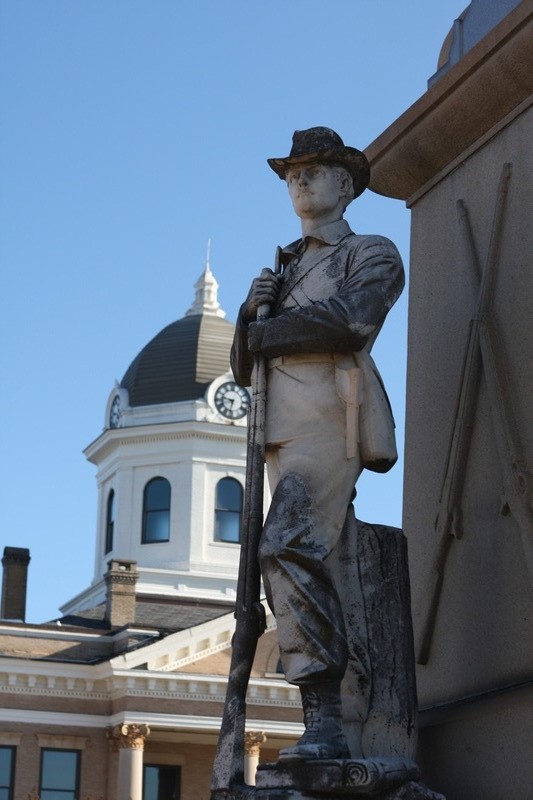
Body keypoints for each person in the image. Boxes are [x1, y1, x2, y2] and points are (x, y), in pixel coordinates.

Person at [231, 127, 404, 761]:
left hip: (334, 419)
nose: (299, 182)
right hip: (276, 433)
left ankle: (326, 717)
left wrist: (268, 329)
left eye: (313, 171)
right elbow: (241, 363)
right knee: (291, 564)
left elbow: (352, 319)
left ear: (346, 183)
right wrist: (252, 319)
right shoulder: (281, 267)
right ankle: (321, 717)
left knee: (285, 544)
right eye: (292, 174)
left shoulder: (370, 251)